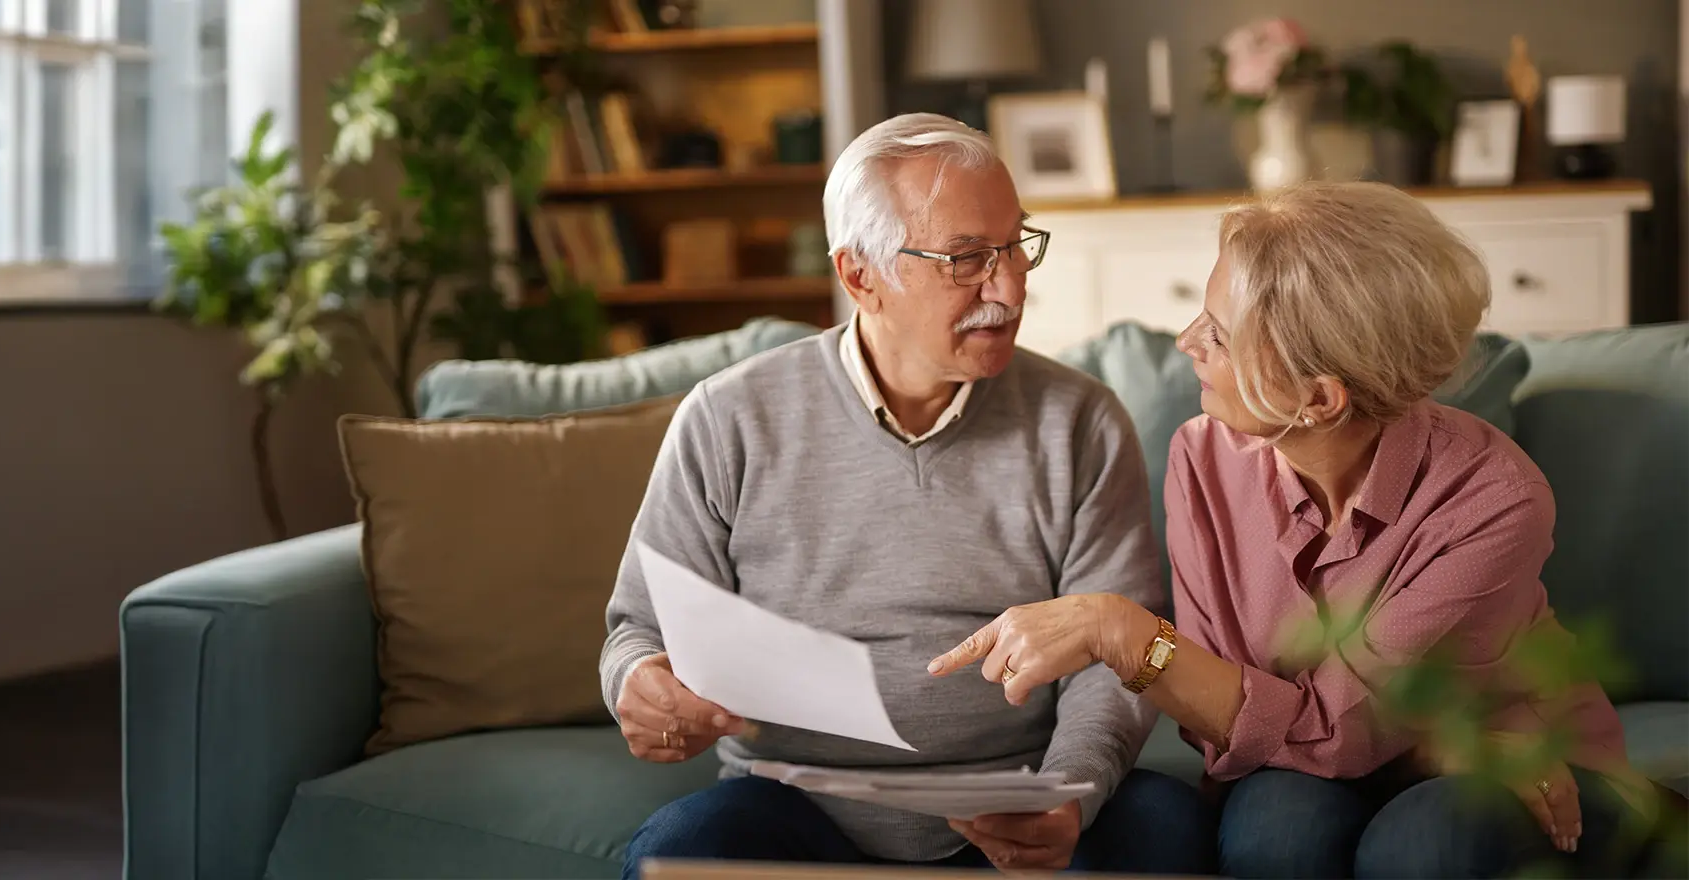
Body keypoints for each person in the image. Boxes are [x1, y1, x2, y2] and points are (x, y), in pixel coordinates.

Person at [930, 180, 1659, 878]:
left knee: (1422, 847)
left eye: (1218, 332)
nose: (1187, 340)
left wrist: (1123, 632)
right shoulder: (1203, 459)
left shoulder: (1496, 500)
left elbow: (1330, 728)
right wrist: (1430, 749)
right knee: (1272, 829)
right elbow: (1218, 727)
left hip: (1523, 763)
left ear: (1318, 399)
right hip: (1372, 759)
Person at [600, 113, 1214, 879]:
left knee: (1165, 828)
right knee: (678, 851)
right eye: (967, 259)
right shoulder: (729, 418)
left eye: (1016, 245)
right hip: (796, 803)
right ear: (861, 275)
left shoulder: (1081, 421)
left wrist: (1069, 796)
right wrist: (640, 683)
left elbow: (1113, 664)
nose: (1012, 285)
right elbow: (638, 628)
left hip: (1018, 794)